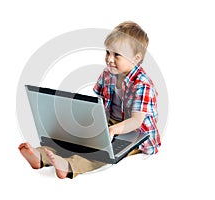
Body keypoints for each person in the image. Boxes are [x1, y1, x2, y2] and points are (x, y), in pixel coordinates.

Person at [18, 21, 161, 179]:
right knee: (77, 139)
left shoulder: (142, 84)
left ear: (136, 58)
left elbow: (136, 121)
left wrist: (112, 130)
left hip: (136, 134)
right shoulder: (107, 74)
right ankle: (40, 156)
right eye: (108, 52)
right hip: (111, 123)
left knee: (102, 153)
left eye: (117, 55)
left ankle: (70, 166)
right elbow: (98, 104)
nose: (109, 59)